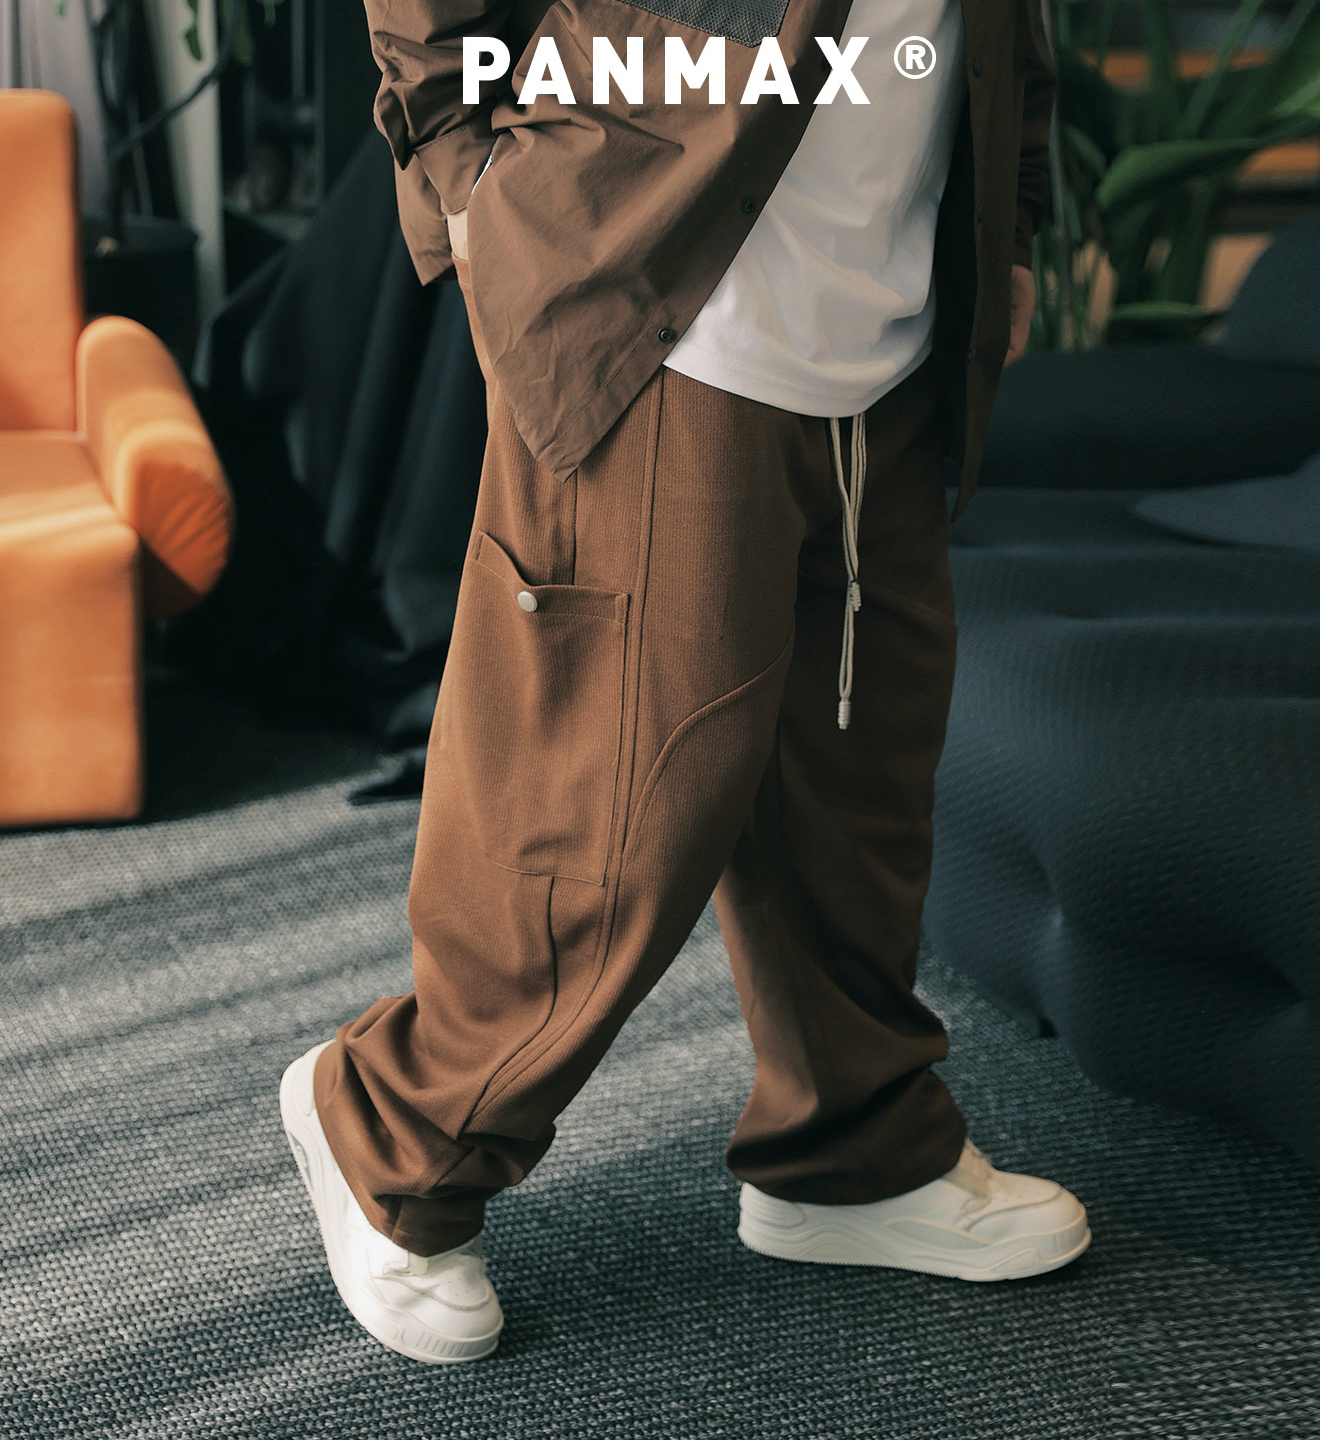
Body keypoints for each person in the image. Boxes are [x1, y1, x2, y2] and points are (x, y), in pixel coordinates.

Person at [280, 0, 1089, 1365]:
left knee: (856, 784)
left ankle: (853, 1148)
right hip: (658, 299)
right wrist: (459, 172)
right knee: (611, 813)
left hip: (886, 318)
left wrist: (1005, 228)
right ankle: (390, 1129)